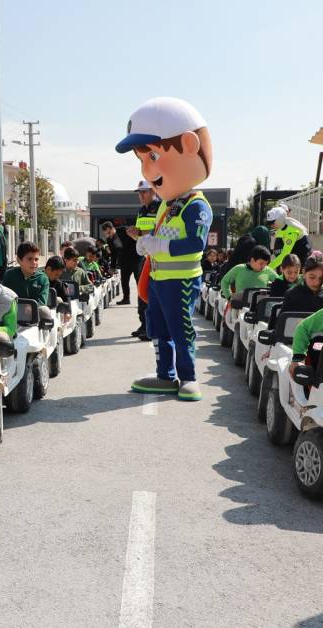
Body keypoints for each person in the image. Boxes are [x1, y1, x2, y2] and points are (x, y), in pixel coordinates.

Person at [117, 96, 213, 401]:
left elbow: (195, 243)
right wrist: (146, 244)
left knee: (181, 330)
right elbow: (159, 233)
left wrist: (159, 245)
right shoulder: (166, 204)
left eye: (153, 156)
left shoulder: (196, 206)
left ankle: (189, 377)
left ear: (189, 145)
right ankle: (165, 375)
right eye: (142, 160)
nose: (148, 171)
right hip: (159, 279)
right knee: (157, 328)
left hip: (181, 281)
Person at [123, 180, 159, 317]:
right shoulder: (141, 210)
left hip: (157, 258)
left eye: (144, 192)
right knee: (142, 290)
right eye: (139, 193)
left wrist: (139, 233)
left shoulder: (161, 207)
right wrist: (134, 235)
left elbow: (160, 231)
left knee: (151, 293)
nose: (141, 195)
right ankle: (143, 322)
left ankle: (148, 324)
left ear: (153, 191)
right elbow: (140, 235)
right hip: (144, 256)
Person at [0, 241, 50, 307]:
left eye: (36, 259)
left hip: (35, 312)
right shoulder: (9, 275)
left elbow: (42, 303)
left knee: (45, 310)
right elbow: (3, 298)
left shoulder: (42, 279)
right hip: (12, 311)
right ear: (19, 260)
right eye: (29, 259)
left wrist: (30, 308)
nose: (34, 262)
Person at [265, 205, 312, 271]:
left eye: (272, 223)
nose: (271, 225)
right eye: (269, 223)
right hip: (294, 253)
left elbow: (284, 254)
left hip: (302, 255)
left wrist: (267, 269)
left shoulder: (291, 231)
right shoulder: (282, 225)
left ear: (280, 219)